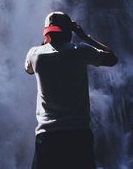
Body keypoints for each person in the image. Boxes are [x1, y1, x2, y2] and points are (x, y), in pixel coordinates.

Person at [25, 11, 118, 169]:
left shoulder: (34, 54)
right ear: (69, 31)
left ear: (47, 33)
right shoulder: (80, 50)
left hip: (47, 135)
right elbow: (112, 58)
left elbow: (28, 70)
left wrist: (47, 41)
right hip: (77, 134)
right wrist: (84, 37)